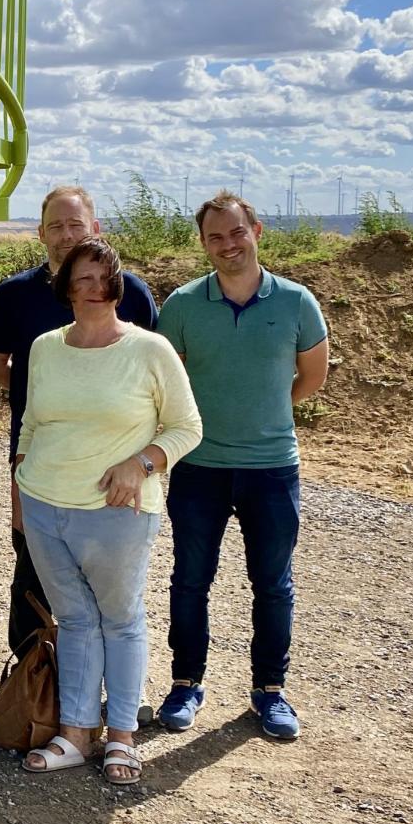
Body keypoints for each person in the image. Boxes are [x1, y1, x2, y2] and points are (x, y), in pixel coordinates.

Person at [17, 238, 201, 785]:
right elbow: (31, 423)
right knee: (74, 619)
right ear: (65, 288)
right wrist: (20, 478)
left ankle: (121, 736)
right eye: (83, 279)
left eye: (105, 278)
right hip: (45, 506)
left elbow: (187, 427)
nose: (95, 289)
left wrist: (142, 464)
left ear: (118, 285)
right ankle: (75, 733)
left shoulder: (149, 350)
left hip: (117, 510)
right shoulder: (45, 347)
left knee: (120, 622)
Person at [155, 193, 329, 741]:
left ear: (255, 230)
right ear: (203, 244)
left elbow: (311, 379)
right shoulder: (182, 306)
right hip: (199, 467)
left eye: (237, 233)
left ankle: (270, 692)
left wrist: (262, 418)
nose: (228, 245)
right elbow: (167, 385)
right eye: (215, 237)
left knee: (273, 585)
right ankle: (186, 683)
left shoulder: (298, 302)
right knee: (189, 582)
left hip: (272, 468)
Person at [0, 185, 158, 658]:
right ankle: (31, 679)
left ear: (95, 229)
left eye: (76, 224)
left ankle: (108, 684)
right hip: (38, 458)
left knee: (108, 581)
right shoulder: (14, 294)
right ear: (39, 234)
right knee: (33, 569)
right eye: (55, 226)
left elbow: (154, 374)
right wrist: (49, 396)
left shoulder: (131, 293)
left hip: (113, 465)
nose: (65, 235)